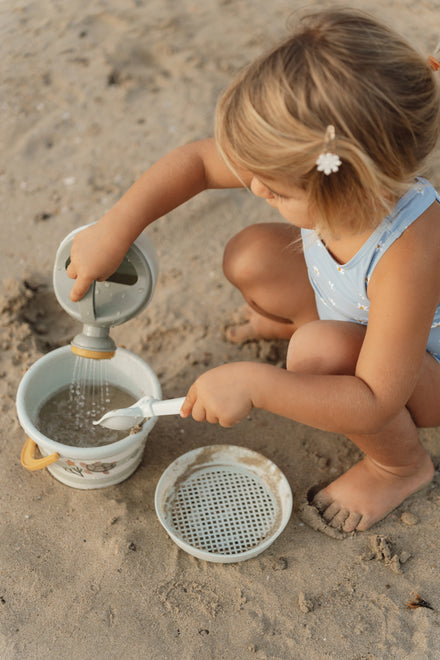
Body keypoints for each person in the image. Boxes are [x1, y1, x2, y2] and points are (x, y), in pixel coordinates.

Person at [66, 8, 440, 536]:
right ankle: (309, 329)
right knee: (251, 256)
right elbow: (199, 163)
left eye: (277, 190)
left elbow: (377, 400)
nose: (255, 186)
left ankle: (399, 467)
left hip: (420, 372)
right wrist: (116, 226)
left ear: (350, 189)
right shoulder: (316, 162)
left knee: (315, 353)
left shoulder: (410, 253)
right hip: (355, 313)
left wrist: (258, 385)